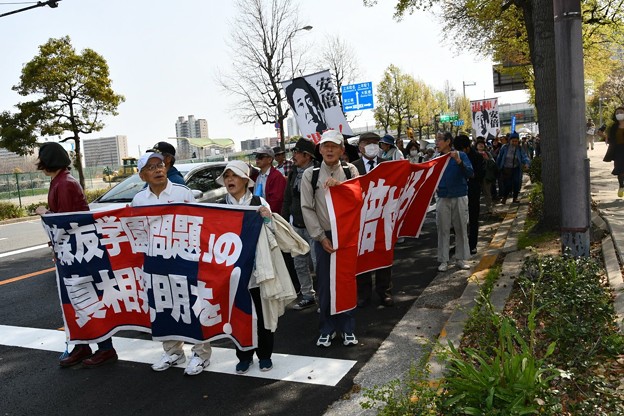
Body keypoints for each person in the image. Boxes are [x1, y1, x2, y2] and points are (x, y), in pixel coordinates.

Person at [35, 142, 118, 368]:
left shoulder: (64, 183)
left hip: (78, 250)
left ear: (48, 160)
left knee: (86, 297)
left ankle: (104, 348)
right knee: (78, 298)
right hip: (75, 248)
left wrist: (46, 213)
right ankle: (85, 344)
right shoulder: (62, 180)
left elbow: (66, 221)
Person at [131, 152, 211, 376]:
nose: (158, 170)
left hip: (184, 260)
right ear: (142, 175)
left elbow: (197, 223)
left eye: (160, 165)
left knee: (191, 305)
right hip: (156, 261)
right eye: (151, 167)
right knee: (163, 306)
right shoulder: (139, 200)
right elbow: (137, 231)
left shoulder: (181, 193)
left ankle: (201, 353)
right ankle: (173, 351)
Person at [215, 160, 277, 374]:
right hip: (231, 273)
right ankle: (243, 355)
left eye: (234, 175)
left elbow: (272, 231)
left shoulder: (259, 202)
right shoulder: (219, 205)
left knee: (263, 315)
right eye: (227, 176)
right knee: (237, 316)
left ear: (245, 180)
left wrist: (268, 219)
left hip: (258, 271)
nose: (230, 180)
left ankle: (265, 355)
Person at [301, 130, 360, 347]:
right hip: (323, 235)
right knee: (325, 284)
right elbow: (307, 208)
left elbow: (359, 200)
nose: (329, 150)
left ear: (342, 150)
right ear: (320, 149)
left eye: (334, 146)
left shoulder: (350, 170)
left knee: (346, 281)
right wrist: (319, 236)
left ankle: (347, 327)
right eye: (325, 146)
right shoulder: (311, 174)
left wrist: (342, 188)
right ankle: (326, 328)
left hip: (347, 235)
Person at [352, 132, 394, 307]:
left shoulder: (388, 166)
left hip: (383, 217)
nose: (372, 146)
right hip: (361, 220)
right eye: (368, 143)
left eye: (375, 143)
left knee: (384, 255)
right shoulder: (352, 168)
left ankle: (384, 291)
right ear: (360, 147)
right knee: (362, 257)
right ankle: (364, 293)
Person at [282, 138, 318, 310]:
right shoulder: (293, 173)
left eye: (296, 152)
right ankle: (307, 295)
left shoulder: (318, 171)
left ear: (307, 155)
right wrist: (283, 220)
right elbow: (287, 198)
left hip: (315, 226)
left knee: (318, 264)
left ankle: (325, 298)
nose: (293, 156)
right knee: (300, 264)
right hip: (296, 225)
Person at [435, 132, 474, 272]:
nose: (437, 142)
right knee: (443, 229)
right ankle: (443, 260)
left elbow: (470, 173)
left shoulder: (461, 155)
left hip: (459, 195)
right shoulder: (436, 159)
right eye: (436, 139)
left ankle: (461, 258)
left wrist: (458, 161)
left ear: (448, 141)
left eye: (439, 139)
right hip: (443, 197)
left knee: (461, 228)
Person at [454, 135, 484, 255]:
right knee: (457, 220)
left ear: (467, 148)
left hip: (473, 191)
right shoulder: (455, 156)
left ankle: (472, 245)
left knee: (473, 218)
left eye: (461, 150)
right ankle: (460, 244)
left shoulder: (477, 157)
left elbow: (479, 175)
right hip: (459, 192)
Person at [496, 132, 530, 204]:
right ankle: (504, 197)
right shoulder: (504, 148)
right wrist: (497, 167)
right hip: (506, 169)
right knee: (508, 184)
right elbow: (499, 158)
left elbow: (524, 157)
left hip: (516, 168)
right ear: (509, 140)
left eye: (516, 141)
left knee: (517, 183)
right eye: (513, 141)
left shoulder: (519, 148)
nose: (514, 143)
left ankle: (515, 198)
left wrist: (526, 163)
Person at [253, 145, 287, 213]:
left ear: (269, 159)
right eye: (256, 156)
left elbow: (276, 202)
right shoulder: (257, 176)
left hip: (270, 216)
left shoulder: (277, 176)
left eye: (260, 157)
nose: (257, 159)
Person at [602, 106, 624, 197]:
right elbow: (610, 138)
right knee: (619, 169)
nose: (619, 114)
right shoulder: (614, 126)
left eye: (621, 112)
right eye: (617, 113)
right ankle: (621, 186)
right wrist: (606, 137)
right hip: (618, 150)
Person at [476, 138, 497, 214]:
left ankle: (489, 207)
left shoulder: (488, 153)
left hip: (486, 176)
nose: (481, 145)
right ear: (476, 146)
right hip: (477, 177)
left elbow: (493, 164)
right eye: (479, 144)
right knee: (476, 194)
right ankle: (476, 210)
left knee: (487, 192)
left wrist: (487, 159)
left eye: (482, 144)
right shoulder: (474, 154)